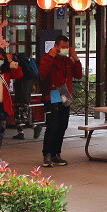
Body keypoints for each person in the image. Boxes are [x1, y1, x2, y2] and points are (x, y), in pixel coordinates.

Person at [39, 35, 83, 167]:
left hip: (65, 94)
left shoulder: (68, 61)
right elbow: (42, 73)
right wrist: (51, 56)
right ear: (56, 47)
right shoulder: (47, 59)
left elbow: (78, 75)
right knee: (53, 126)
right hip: (52, 94)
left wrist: (76, 59)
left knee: (62, 126)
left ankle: (56, 154)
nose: (65, 49)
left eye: (66, 47)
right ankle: (47, 154)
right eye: (62, 47)